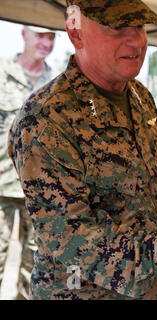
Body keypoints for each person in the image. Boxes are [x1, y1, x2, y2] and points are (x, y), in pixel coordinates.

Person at [7, 0, 157, 300]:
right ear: (75, 32)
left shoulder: (138, 95)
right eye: (118, 27)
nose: (136, 39)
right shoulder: (47, 118)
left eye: (139, 26)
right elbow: (72, 242)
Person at [0, 25, 57, 300]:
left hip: (39, 190)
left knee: (36, 262)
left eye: (51, 37)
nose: (46, 43)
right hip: (1, 185)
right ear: (24, 34)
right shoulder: (1, 73)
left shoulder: (56, 82)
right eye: (40, 36)